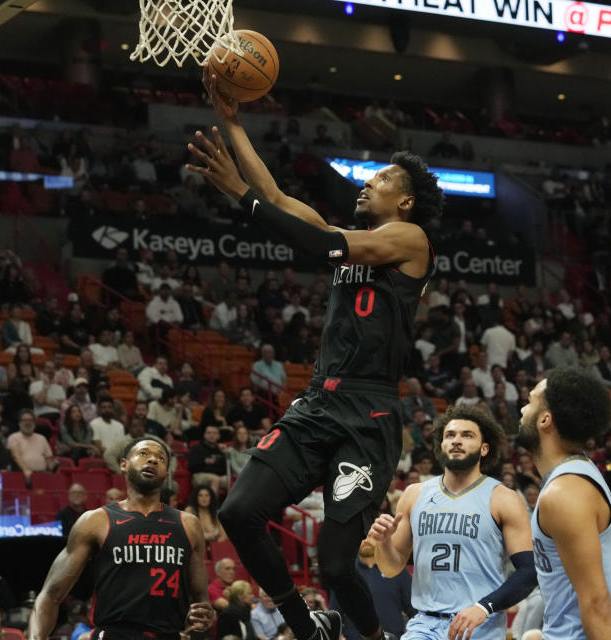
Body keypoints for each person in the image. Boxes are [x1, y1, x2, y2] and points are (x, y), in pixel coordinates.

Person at [197, 69, 443, 640]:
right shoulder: (358, 240)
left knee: (335, 564)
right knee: (237, 513)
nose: (366, 183)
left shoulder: (409, 241)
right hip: (318, 403)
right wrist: (234, 124)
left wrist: (240, 196)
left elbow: (317, 240)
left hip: (369, 416)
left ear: (403, 201)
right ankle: (302, 625)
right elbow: (280, 199)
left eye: (379, 178)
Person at [368, 404, 535, 640]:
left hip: (478, 625)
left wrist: (484, 606)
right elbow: (391, 567)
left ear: (484, 448)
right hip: (424, 624)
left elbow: (529, 571)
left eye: (467, 435)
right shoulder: (414, 494)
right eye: (450, 435)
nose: (457, 440)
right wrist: (384, 543)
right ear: (441, 445)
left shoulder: (503, 498)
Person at [27, 437, 215, 640]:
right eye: (143, 454)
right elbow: (50, 594)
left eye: (160, 458)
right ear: (123, 464)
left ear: (167, 474)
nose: (152, 460)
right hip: (114, 633)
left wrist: (203, 615)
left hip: (168, 634)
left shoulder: (189, 524)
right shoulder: (95, 521)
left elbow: (201, 602)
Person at [514, 367, 611, 638]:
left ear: (545, 419)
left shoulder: (564, 493)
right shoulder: (573, 479)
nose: (522, 410)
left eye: (530, 401)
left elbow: (596, 603)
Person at [328, 540, 414, 640]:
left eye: (370, 534)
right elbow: (334, 617)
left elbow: (415, 611)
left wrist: (409, 635)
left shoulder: (397, 569)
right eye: (362, 536)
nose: (366, 540)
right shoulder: (345, 573)